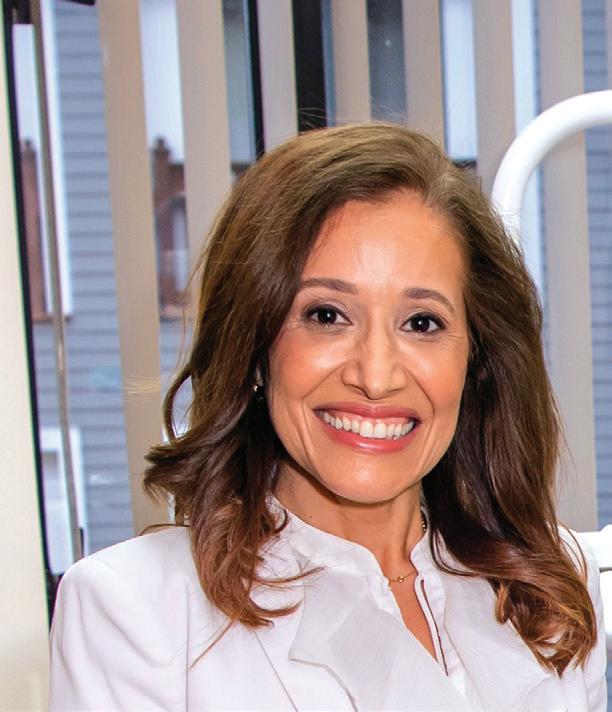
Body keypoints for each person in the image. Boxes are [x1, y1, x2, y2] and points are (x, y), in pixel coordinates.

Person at [49, 123, 606, 711]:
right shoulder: (137, 610)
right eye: (326, 315)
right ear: (255, 346)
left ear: (476, 360)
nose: (376, 375)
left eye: (422, 322)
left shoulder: (548, 592)